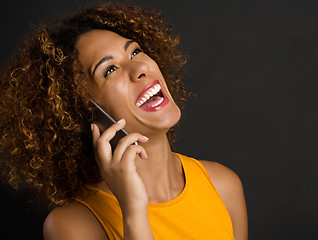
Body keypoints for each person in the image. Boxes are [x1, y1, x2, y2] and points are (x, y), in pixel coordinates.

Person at [0, 2, 248, 239]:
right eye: (109, 70)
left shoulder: (223, 186)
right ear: (84, 112)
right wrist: (133, 210)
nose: (140, 67)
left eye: (135, 51)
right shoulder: (71, 225)